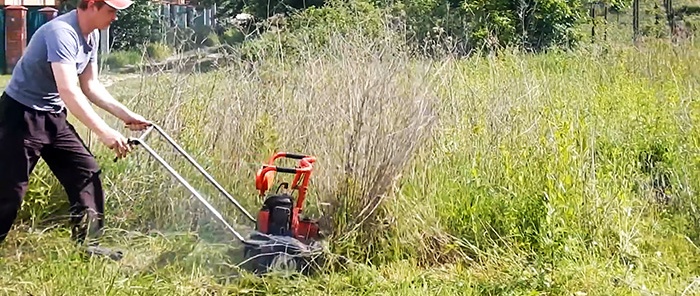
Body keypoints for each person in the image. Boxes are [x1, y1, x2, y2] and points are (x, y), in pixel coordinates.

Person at [0, 0, 149, 261]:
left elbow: (90, 85)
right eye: (112, 10)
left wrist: (126, 116)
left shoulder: (90, 37)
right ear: (91, 4)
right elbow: (69, 90)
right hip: (20, 115)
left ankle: (89, 246)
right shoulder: (61, 33)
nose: (115, 17)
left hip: (52, 116)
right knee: (10, 188)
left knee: (85, 171)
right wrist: (104, 131)